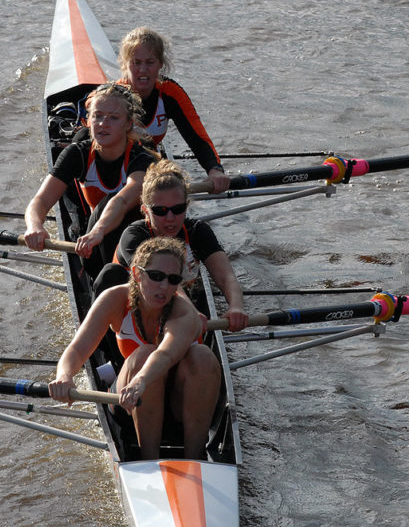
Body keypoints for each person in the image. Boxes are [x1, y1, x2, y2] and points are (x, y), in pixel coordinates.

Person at [50, 237, 221, 460]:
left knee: (203, 356)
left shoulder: (184, 313)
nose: (164, 286)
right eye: (156, 276)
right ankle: (148, 461)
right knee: (143, 355)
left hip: (178, 404)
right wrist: (64, 376)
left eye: (173, 280)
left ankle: (196, 458)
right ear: (137, 274)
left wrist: (141, 380)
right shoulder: (114, 299)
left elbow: (166, 354)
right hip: (129, 403)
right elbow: (77, 349)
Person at [94, 159, 248, 332]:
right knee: (110, 273)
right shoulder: (134, 235)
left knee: (197, 293)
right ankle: (107, 352)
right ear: (145, 211)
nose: (170, 218)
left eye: (178, 209)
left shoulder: (197, 231)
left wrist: (236, 307)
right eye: (160, 211)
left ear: (187, 206)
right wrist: (188, 311)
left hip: (174, 307)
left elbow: (226, 276)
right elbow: (165, 283)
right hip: (131, 318)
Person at [23, 83, 157, 274]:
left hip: (135, 238)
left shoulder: (142, 159)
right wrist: (34, 226)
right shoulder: (77, 153)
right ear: (88, 120)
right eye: (97, 116)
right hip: (98, 238)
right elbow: (40, 201)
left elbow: (122, 200)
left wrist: (98, 232)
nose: (103, 124)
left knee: (111, 200)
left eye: (113, 118)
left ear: (128, 124)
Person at [118, 27, 231, 193]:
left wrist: (215, 170)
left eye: (150, 62)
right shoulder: (116, 96)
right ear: (126, 65)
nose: (143, 70)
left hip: (147, 168)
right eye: (136, 62)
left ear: (160, 65)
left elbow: (197, 137)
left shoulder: (170, 93)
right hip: (117, 167)